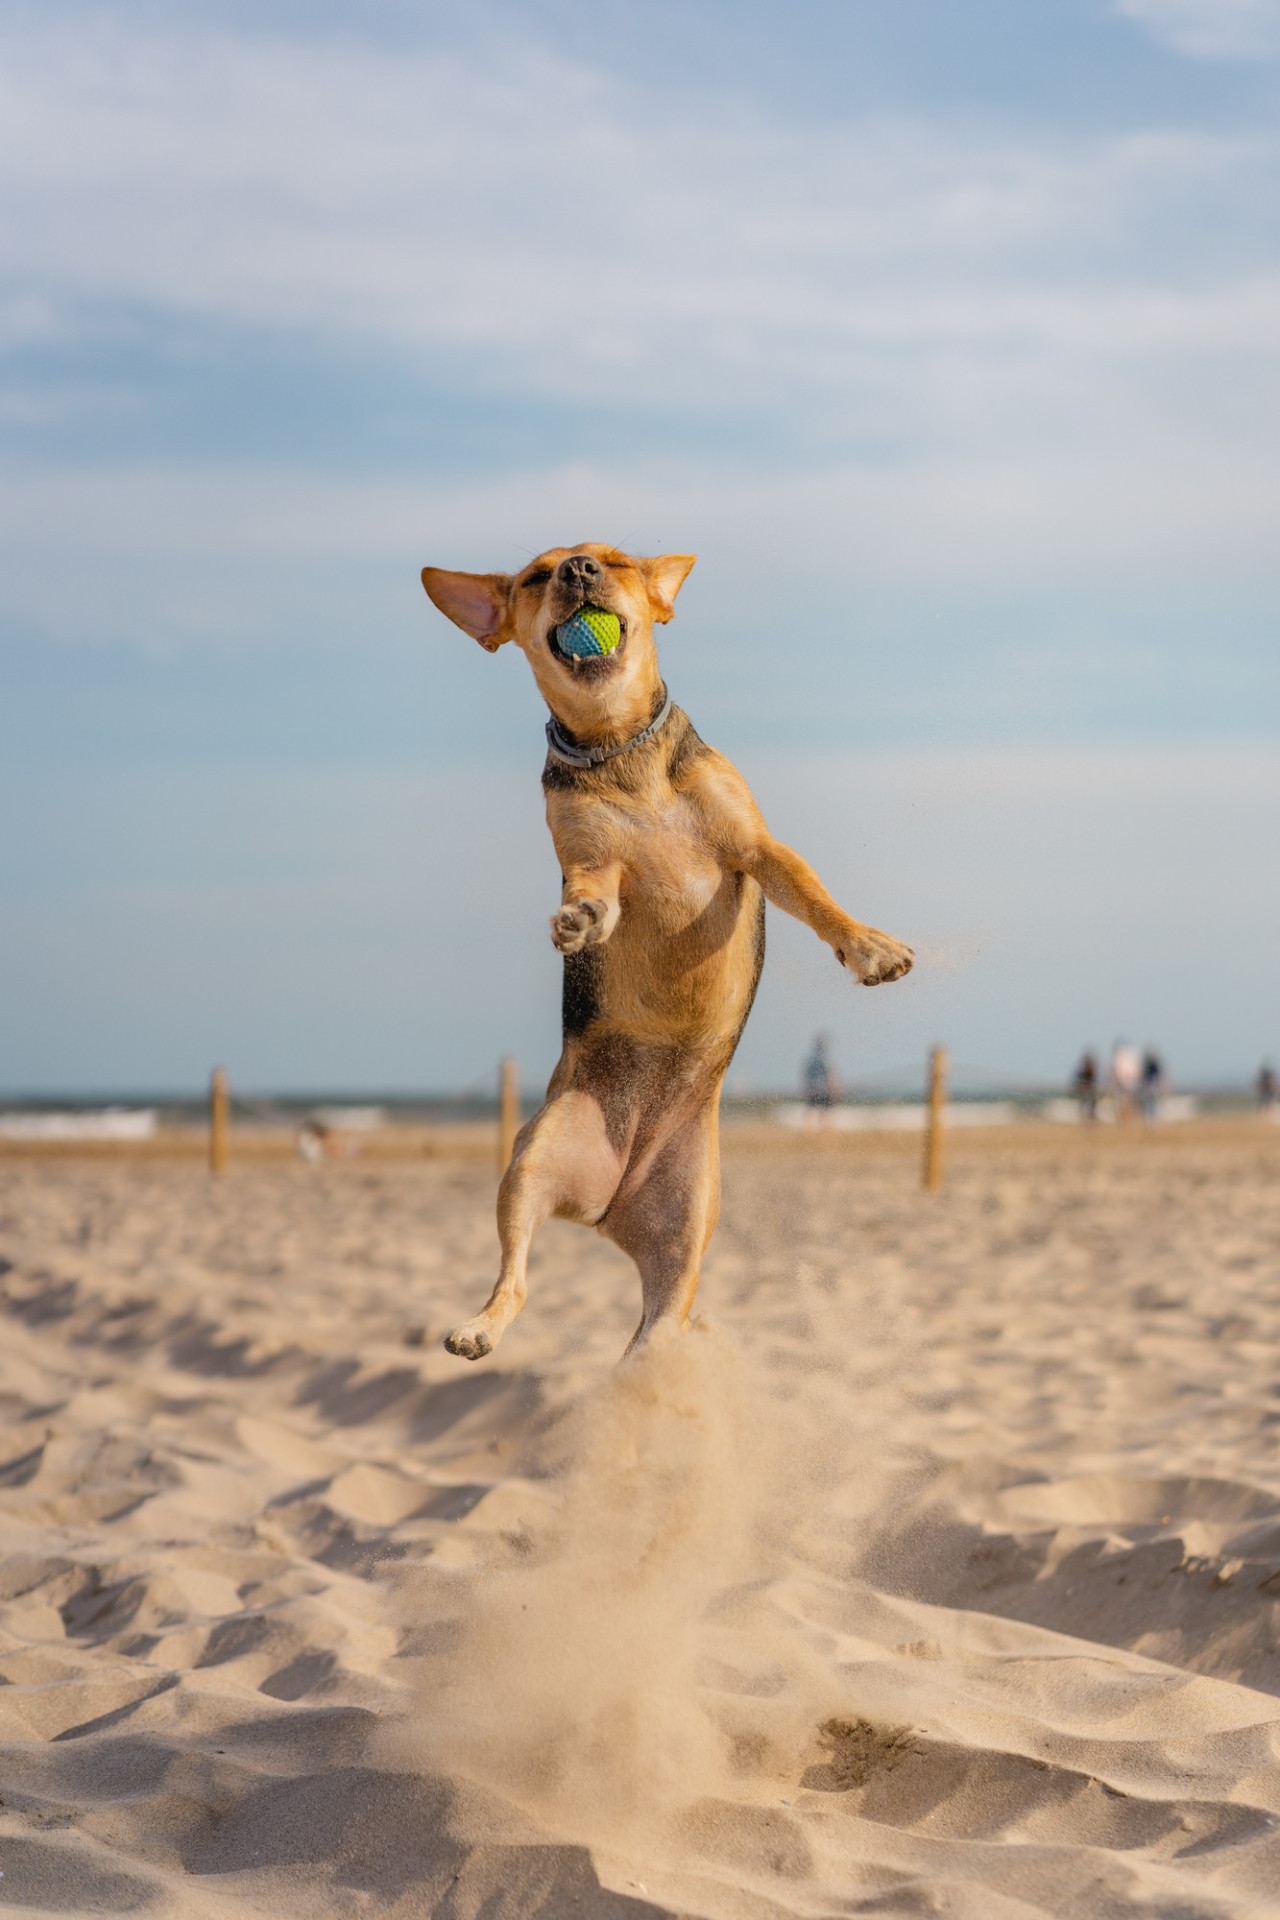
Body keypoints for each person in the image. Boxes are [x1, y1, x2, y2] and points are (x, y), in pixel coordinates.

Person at [802, 1033, 839, 1126]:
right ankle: (824, 1133)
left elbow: (806, 1077)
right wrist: (834, 1090)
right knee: (825, 1112)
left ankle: (807, 1133)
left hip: (812, 1090)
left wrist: (806, 1090)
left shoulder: (810, 1060)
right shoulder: (824, 1060)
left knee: (810, 1110)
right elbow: (829, 1076)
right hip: (823, 1091)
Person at [1109, 1040, 1141, 1121]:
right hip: (1123, 1083)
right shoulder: (1120, 1057)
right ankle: (1124, 1117)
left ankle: (1129, 1117)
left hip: (1128, 1083)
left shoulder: (1125, 1057)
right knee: (1122, 1101)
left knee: (1127, 1101)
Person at [1071, 1050, 1099, 1122]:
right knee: (1085, 1104)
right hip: (1086, 1089)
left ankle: (1090, 1117)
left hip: (1089, 1090)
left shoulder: (1089, 1070)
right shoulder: (1083, 1071)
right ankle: (1087, 1117)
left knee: (1090, 1104)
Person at [1138, 1048, 1165, 1123]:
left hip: (1152, 1086)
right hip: (1149, 1086)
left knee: (1153, 1103)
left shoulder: (1153, 1065)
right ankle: (1150, 1119)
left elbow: (1159, 1076)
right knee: (1149, 1103)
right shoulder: (1146, 1065)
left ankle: (1153, 1118)